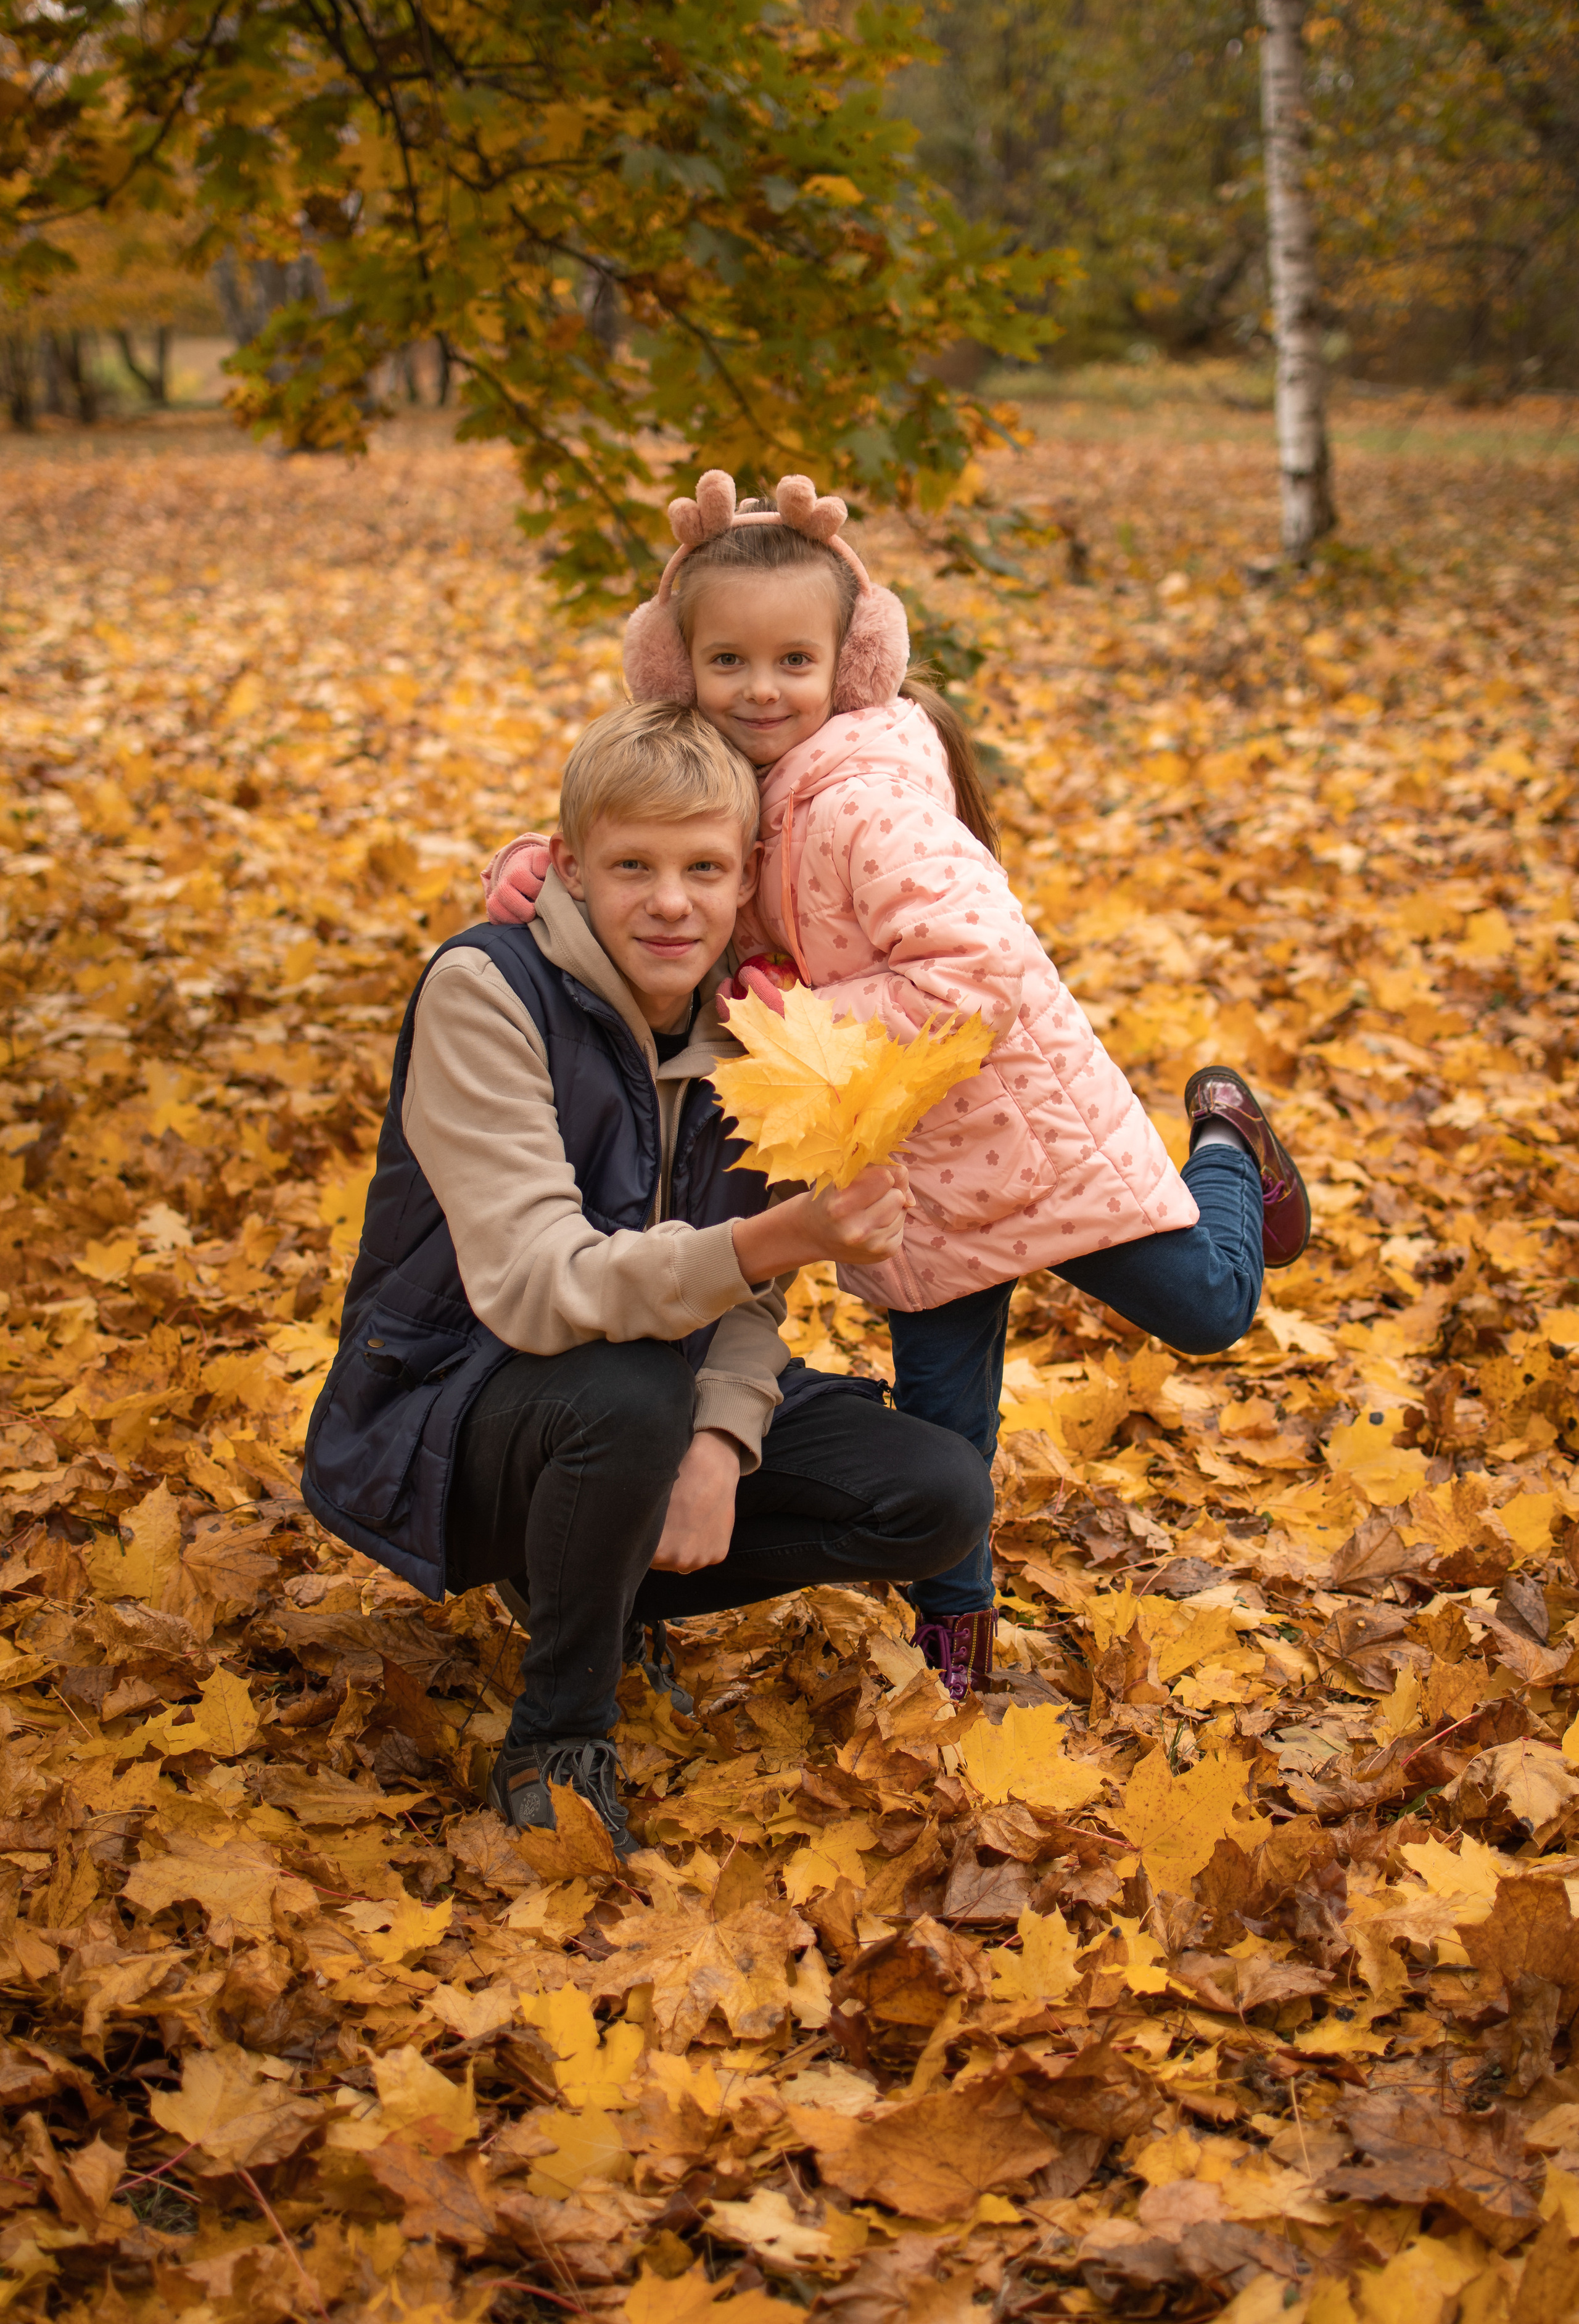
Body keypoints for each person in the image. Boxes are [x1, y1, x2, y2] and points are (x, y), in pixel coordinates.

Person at [481, 472, 1311, 1703]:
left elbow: (977, 969)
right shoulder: (732, 786)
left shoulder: (865, 804)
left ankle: (1229, 1140)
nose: (760, 689)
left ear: (849, 665)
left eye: (793, 661)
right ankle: (955, 1655)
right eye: (726, 661)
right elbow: (637, 846)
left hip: (1020, 1136)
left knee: (1205, 1306)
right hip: (901, 1183)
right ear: (675, 667)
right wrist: (536, 876)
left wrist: (795, 1025)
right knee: (944, 1430)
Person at [303, 702, 994, 1852]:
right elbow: (539, 1285)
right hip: (455, 1403)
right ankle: (561, 1735)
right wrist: (780, 1240)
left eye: (704, 869)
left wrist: (720, 1447)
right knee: (628, 1393)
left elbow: (747, 1300)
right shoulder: (487, 990)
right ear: (571, 867)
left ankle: (591, 1574)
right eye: (633, 867)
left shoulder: (759, 1025)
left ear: (745, 876)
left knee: (936, 1494)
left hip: (657, 1390)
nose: (671, 902)